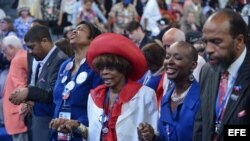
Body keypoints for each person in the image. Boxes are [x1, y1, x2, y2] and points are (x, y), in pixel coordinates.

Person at [192, 9, 250, 141]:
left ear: (239, 41)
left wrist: (228, 133)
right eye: (205, 42)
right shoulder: (207, 70)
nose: (208, 50)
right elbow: (201, 123)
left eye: (216, 42)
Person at [9, 25, 68, 141]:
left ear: (45, 41)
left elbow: (53, 94)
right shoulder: (39, 58)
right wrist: (30, 99)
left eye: (32, 47)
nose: (29, 52)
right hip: (37, 119)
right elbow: (40, 86)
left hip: (50, 121)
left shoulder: (61, 60)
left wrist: (28, 92)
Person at [49, 21, 103, 141]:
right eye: (74, 28)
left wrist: (77, 125)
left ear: (92, 40)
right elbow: (57, 100)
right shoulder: (65, 65)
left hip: (83, 134)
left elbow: (98, 107)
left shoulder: (96, 67)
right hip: (59, 134)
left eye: (81, 29)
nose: (74, 31)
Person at [138, 41, 200, 141]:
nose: (169, 62)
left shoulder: (201, 98)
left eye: (177, 58)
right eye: (167, 57)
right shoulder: (166, 98)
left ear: (193, 65)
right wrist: (151, 137)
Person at [1, 35, 28, 141]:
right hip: (17, 114)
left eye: (4, 50)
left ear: (11, 47)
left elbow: (21, 86)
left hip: (18, 116)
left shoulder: (18, 60)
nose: (3, 54)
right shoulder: (21, 57)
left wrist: (21, 110)